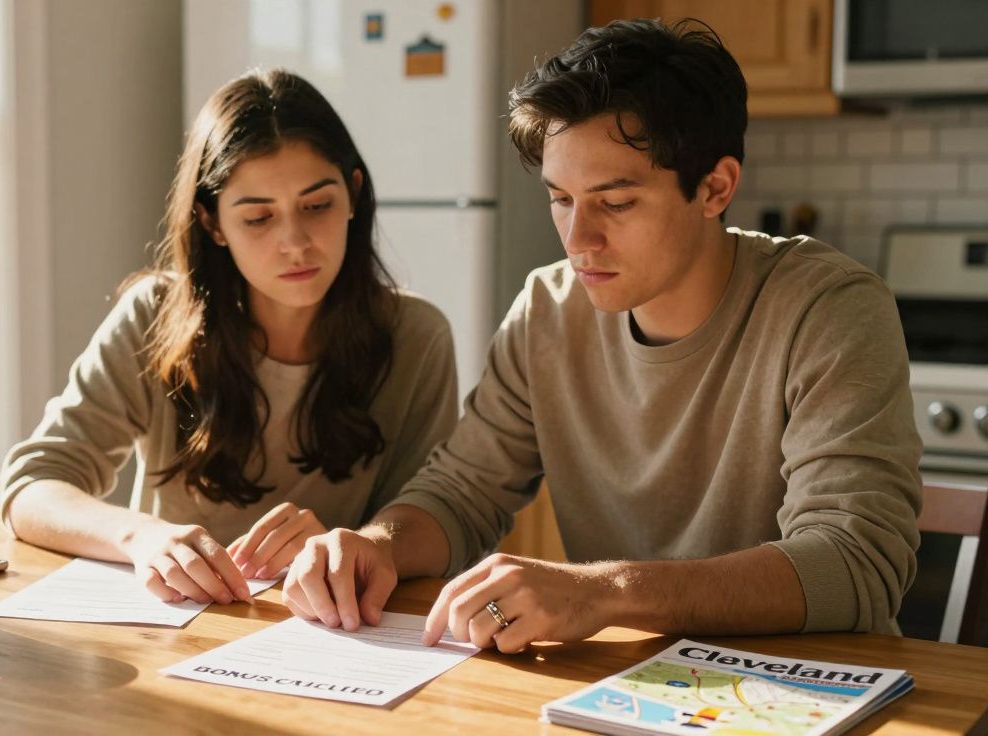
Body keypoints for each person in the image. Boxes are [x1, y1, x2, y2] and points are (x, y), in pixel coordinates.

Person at [280, 19, 922, 650]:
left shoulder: (827, 308)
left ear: (715, 188)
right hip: (622, 684)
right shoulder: (548, 310)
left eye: (615, 203)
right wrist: (375, 545)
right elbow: (461, 492)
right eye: (561, 199)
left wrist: (604, 591)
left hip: (809, 685)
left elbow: (854, 561)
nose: (578, 239)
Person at [0, 69, 458, 606]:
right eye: (258, 218)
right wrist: (141, 536)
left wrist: (363, 545)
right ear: (212, 223)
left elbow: (432, 517)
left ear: (353, 195)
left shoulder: (416, 337)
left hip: (335, 628)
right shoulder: (152, 316)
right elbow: (31, 487)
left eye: (317, 206)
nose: (295, 242)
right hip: (178, 628)